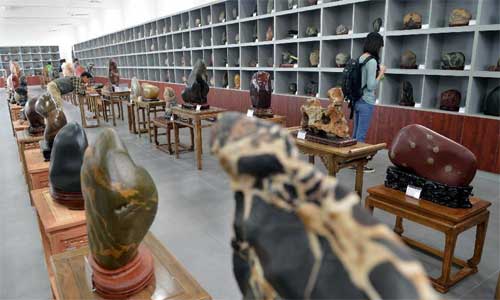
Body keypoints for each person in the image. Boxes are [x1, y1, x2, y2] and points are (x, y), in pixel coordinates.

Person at [353, 32, 385, 173]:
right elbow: (371, 85)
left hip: (356, 99)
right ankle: (359, 164)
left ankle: (351, 160)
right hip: (366, 101)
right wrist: (381, 73)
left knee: (355, 133)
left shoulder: (361, 58)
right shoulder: (371, 61)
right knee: (361, 134)